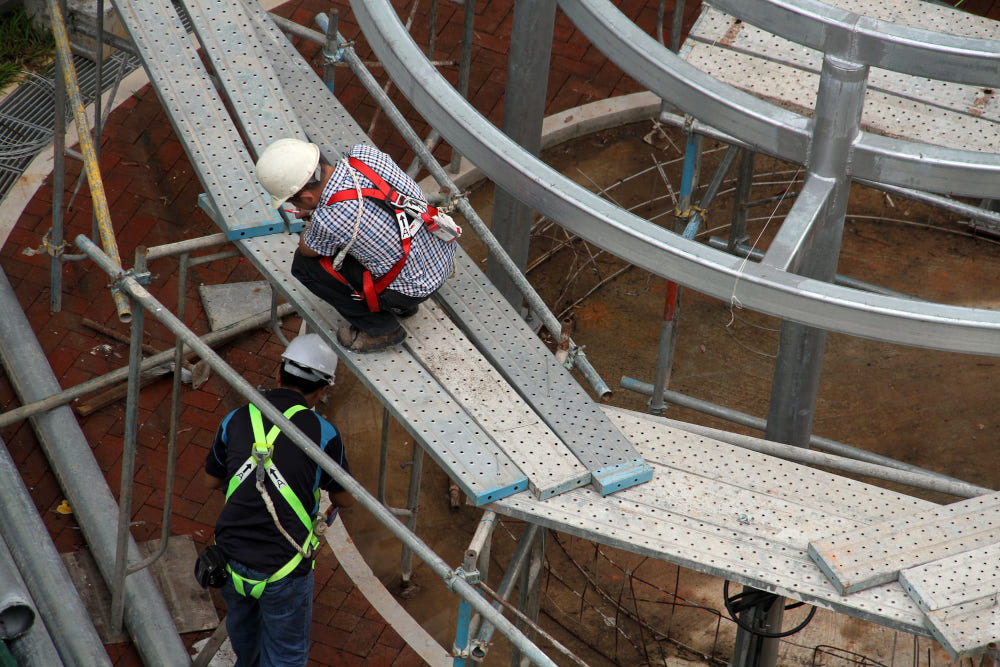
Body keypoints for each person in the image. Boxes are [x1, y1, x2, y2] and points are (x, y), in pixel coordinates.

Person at [202, 333, 354, 666]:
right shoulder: (324, 434)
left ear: (278, 373)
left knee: (243, 630)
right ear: (322, 390)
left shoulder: (237, 418)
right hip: (284, 568)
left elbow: (211, 478)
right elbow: (346, 498)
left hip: (229, 558)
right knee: (285, 655)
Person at [256, 138, 459, 353]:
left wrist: (315, 216)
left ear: (306, 196)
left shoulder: (328, 220)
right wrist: (319, 207)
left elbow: (308, 248)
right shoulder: (363, 155)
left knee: (304, 265)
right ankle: (404, 307)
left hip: (410, 289)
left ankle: (381, 329)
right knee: (376, 242)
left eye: (293, 201)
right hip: (440, 258)